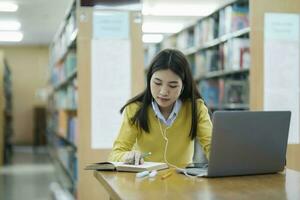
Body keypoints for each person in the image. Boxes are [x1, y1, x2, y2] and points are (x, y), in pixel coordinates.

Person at [108, 49, 212, 168]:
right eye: (157, 83)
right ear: (149, 80)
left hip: (184, 182)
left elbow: (213, 147)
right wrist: (126, 156)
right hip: (144, 181)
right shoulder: (135, 109)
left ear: (183, 86)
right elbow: (115, 154)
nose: (163, 92)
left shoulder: (196, 108)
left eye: (172, 86)